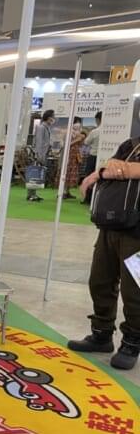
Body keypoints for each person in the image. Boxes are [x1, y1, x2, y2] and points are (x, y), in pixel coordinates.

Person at [69, 138, 140, 369]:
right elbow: (109, 166)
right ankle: (101, 334)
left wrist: (112, 171)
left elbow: (118, 170)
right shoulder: (131, 144)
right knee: (100, 281)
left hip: (137, 234)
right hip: (113, 223)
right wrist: (105, 170)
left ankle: (131, 343)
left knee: (134, 291)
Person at [30, 109, 55, 202]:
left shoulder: (46, 127)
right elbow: (39, 142)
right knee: (34, 174)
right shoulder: (41, 127)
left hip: (43, 154)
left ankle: (34, 193)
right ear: (48, 117)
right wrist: (39, 156)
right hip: (39, 155)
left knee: (38, 174)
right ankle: (31, 195)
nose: (54, 119)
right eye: (53, 117)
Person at [63, 117, 86, 200]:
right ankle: (63, 192)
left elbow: (80, 144)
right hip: (69, 154)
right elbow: (67, 144)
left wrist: (81, 139)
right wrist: (78, 139)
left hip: (75, 154)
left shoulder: (77, 132)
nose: (78, 125)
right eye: (77, 122)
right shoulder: (69, 132)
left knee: (72, 172)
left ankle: (67, 191)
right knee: (67, 171)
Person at [82, 111, 102, 203]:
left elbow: (86, 142)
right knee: (100, 177)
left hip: (93, 156)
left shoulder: (95, 131)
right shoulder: (109, 131)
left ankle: (88, 198)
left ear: (98, 120)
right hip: (104, 158)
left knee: (90, 177)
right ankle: (97, 199)